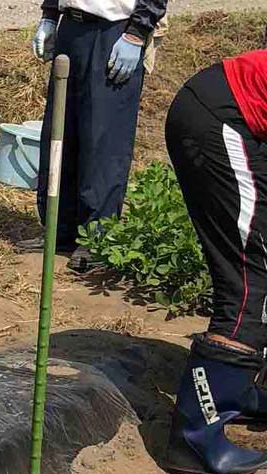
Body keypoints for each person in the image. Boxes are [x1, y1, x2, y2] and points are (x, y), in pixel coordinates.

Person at [162, 50, 267, 474]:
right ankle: (195, 440)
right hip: (221, 119)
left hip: (232, 115)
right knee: (251, 280)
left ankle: (239, 391)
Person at [32, 0, 167, 272]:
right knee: (62, 131)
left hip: (115, 33)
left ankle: (97, 238)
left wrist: (136, 33)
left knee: (103, 138)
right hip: (71, 27)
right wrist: (49, 15)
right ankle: (60, 230)